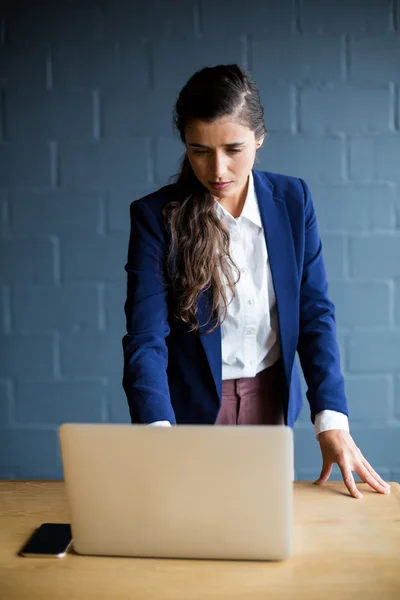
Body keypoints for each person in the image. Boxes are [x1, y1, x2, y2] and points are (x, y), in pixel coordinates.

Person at [122, 64, 391, 500]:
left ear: (259, 138)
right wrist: (156, 432)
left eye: (234, 148)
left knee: (261, 536)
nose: (218, 169)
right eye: (199, 150)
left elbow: (314, 313)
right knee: (193, 537)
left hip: (270, 402)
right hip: (189, 410)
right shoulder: (156, 217)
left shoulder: (293, 199)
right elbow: (145, 337)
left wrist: (332, 419)